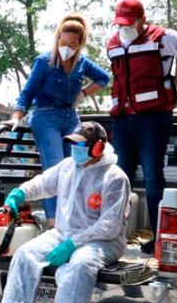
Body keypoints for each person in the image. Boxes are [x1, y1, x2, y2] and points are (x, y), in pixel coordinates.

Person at [0, 122, 131, 303]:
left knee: (78, 266)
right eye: (73, 144)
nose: (75, 149)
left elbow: (109, 225)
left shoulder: (114, 177)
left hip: (103, 240)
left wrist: (73, 244)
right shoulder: (68, 166)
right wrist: (20, 193)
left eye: (80, 145)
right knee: (25, 254)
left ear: (98, 147)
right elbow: (42, 184)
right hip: (64, 233)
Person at [106, 0, 177, 254]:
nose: (125, 28)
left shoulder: (162, 38)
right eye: (121, 23)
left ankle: (159, 237)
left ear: (142, 20)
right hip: (122, 119)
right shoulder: (114, 43)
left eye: (130, 23)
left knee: (152, 177)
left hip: (153, 118)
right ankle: (112, 235)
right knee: (119, 178)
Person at [7, 14, 111, 225]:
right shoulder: (43, 61)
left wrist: (83, 93)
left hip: (71, 116)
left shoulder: (82, 63)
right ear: (57, 39)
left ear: (80, 44)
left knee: (79, 163)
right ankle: (53, 221)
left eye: (72, 45)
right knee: (55, 166)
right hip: (45, 116)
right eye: (63, 43)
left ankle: (74, 217)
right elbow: (28, 92)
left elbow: (103, 78)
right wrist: (16, 116)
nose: (66, 48)